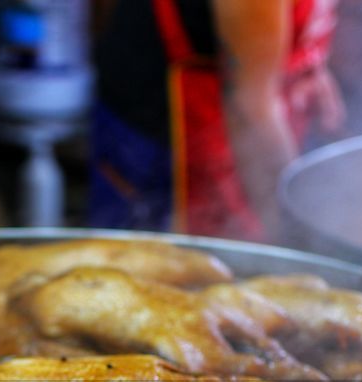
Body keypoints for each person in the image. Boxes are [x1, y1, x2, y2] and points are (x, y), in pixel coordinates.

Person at [89, 0, 343, 240]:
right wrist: (293, 236)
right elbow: (249, 110)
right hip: (162, 137)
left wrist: (307, 65)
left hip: (249, 107)